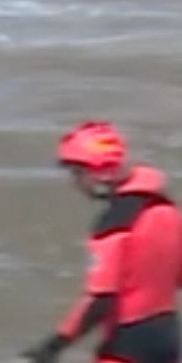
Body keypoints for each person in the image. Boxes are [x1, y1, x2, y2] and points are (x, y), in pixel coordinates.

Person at [21, 121, 182, 363]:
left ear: (95, 172)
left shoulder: (114, 225)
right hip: (166, 340)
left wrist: (53, 346)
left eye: (77, 173)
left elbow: (101, 298)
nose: (76, 183)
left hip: (126, 346)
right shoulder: (167, 210)